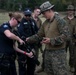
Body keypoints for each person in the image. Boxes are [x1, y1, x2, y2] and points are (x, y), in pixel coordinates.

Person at [26, 1, 71, 75]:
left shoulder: (60, 21)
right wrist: (29, 39)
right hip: (48, 53)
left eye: (44, 13)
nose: (43, 15)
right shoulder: (45, 23)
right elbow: (39, 35)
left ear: (50, 10)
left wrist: (51, 40)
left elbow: (66, 36)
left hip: (58, 54)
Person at [17, 8, 38, 75]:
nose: (28, 17)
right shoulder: (20, 22)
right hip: (24, 46)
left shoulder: (33, 21)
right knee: (22, 64)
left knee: (32, 64)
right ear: (24, 14)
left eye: (29, 15)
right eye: (26, 15)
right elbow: (21, 34)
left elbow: (36, 31)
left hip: (32, 45)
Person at [63, 4, 76, 72]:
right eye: (69, 10)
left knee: (72, 54)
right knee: (63, 53)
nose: (70, 11)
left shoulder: (75, 20)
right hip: (64, 39)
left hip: (72, 40)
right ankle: (63, 66)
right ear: (67, 11)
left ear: (74, 11)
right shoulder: (63, 19)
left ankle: (72, 66)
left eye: (72, 10)